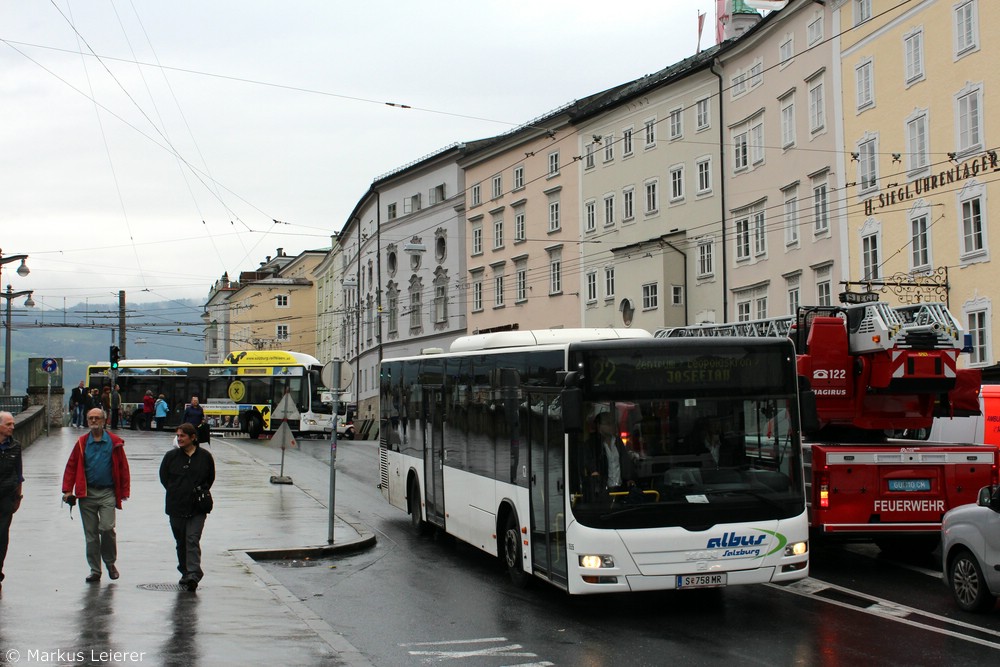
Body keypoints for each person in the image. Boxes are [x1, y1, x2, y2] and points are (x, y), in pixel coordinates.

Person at [61, 408, 131, 583]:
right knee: (91, 535)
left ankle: (110, 563)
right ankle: (95, 570)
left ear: (104, 421)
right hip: (87, 493)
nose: (93, 421)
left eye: (96, 418)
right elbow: (71, 466)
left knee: (107, 528)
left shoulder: (114, 442)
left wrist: (124, 491)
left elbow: (123, 468)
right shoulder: (82, 443)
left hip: (107, 492)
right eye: (90, 418)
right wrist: (67, 490)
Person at [159, 422, 215, 591]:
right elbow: (164, 478)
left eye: (183, 436)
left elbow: (210, 478)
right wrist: (176, 490)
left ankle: (193, 574)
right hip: (176, 506)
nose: (179, 438)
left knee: (192, 538)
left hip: (198, 507)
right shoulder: (171, 457)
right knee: (181, 540)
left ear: (193, 437)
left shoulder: (205, 456)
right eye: (178, 436)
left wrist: (200, 492)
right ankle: (184, 571)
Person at [582, 410, 636, 493]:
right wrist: (594, 472)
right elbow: (588, 460)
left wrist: (629, 478)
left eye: (613, 423)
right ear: (598, 426)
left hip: (621, 488)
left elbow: (625, 460)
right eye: (608, 423)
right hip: (602, 490)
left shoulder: (618, 441)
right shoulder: (591, 443)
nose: (612, 426)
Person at [0, 411, 24, 593]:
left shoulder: (15, 447)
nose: (12, 427)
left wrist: (18, 497)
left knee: (1, 537)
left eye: (13, 424)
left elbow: (19, 474)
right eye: (9, 424)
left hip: (6, 498)